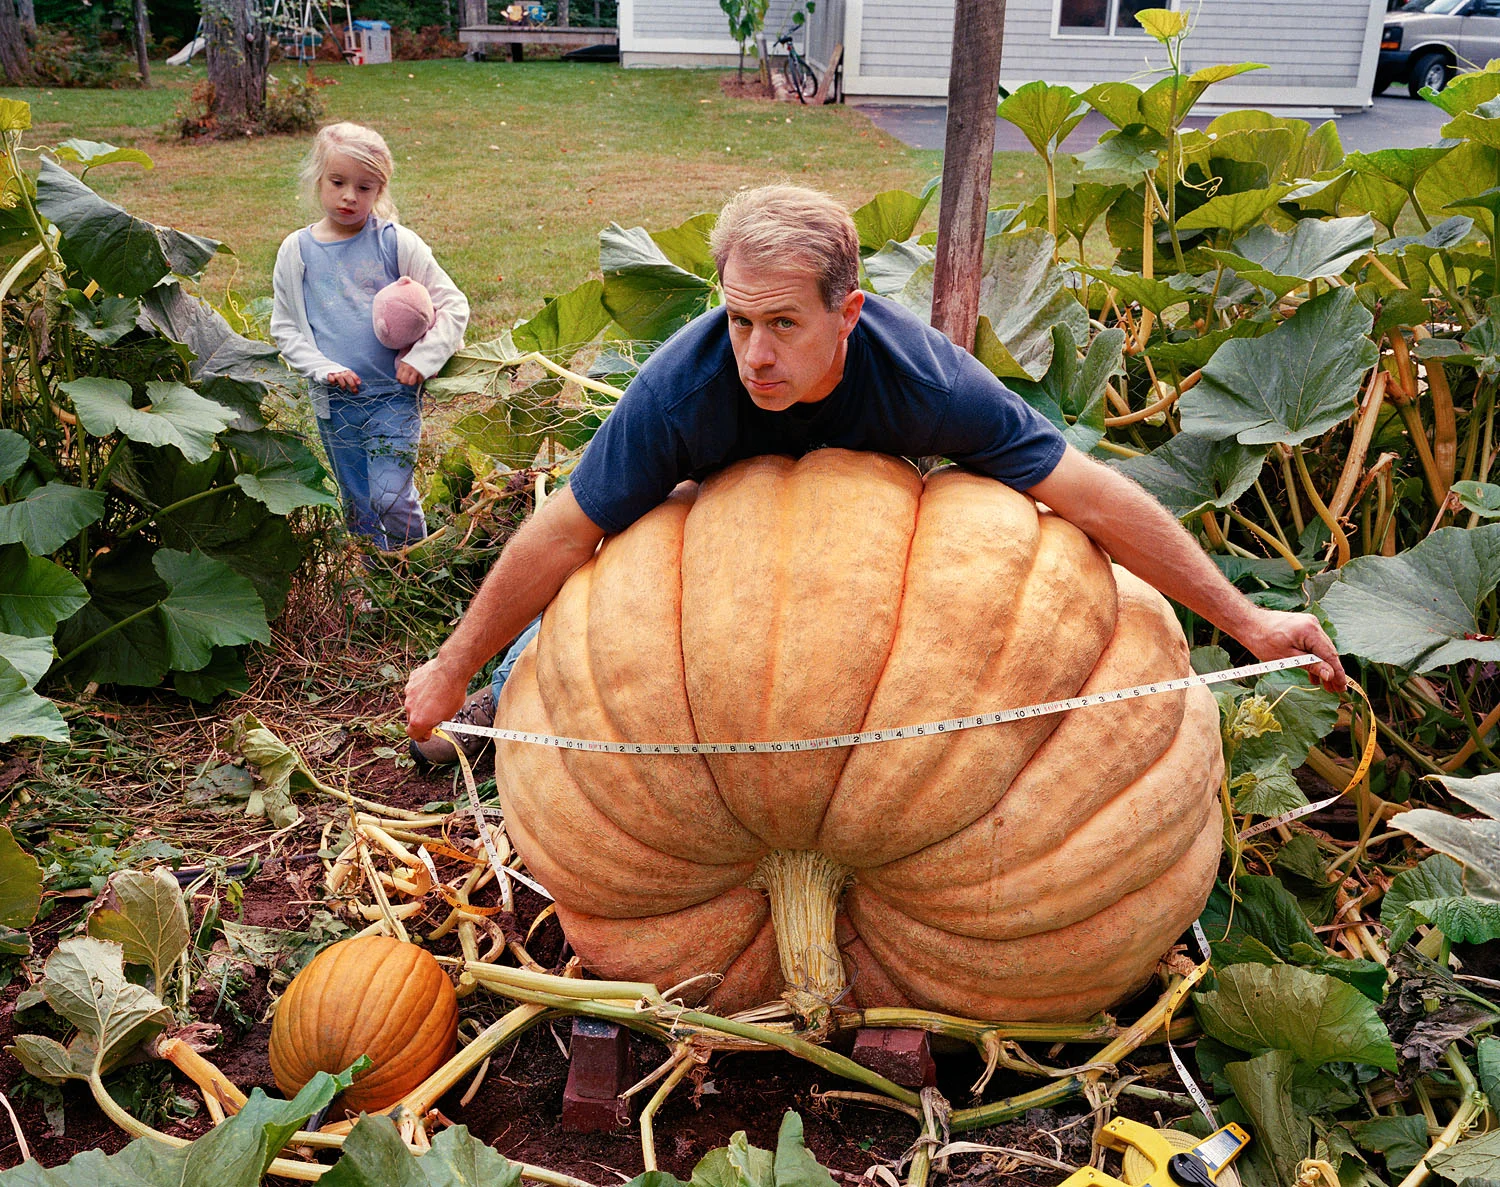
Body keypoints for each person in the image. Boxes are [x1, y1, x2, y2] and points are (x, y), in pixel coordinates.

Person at [406, 184, 1345, 763]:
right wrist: (454, 670)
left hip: (850, 557)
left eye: (782, 324)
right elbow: (568, 529)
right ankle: (501, 701)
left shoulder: (924, 381)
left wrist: (1249, 620)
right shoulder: (683, 391)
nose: (753, 355)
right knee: (610, 572)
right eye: (737, 320)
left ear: (849, 311)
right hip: (707, 537)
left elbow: (1085, 490)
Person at [272, 121, 469, 553]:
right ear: (317, 181)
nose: (349, 196)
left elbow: (453, 304)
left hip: (392, 396)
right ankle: (382, 585)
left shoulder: (396, 244)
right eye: (338, 182)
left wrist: (422, 358)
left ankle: (416, 572)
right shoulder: (296, 251)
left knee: (390, 497)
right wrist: (324, 369)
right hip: (336, 403)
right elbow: (285, 327)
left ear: (379, 191)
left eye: (364, 188)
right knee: (359, 505)